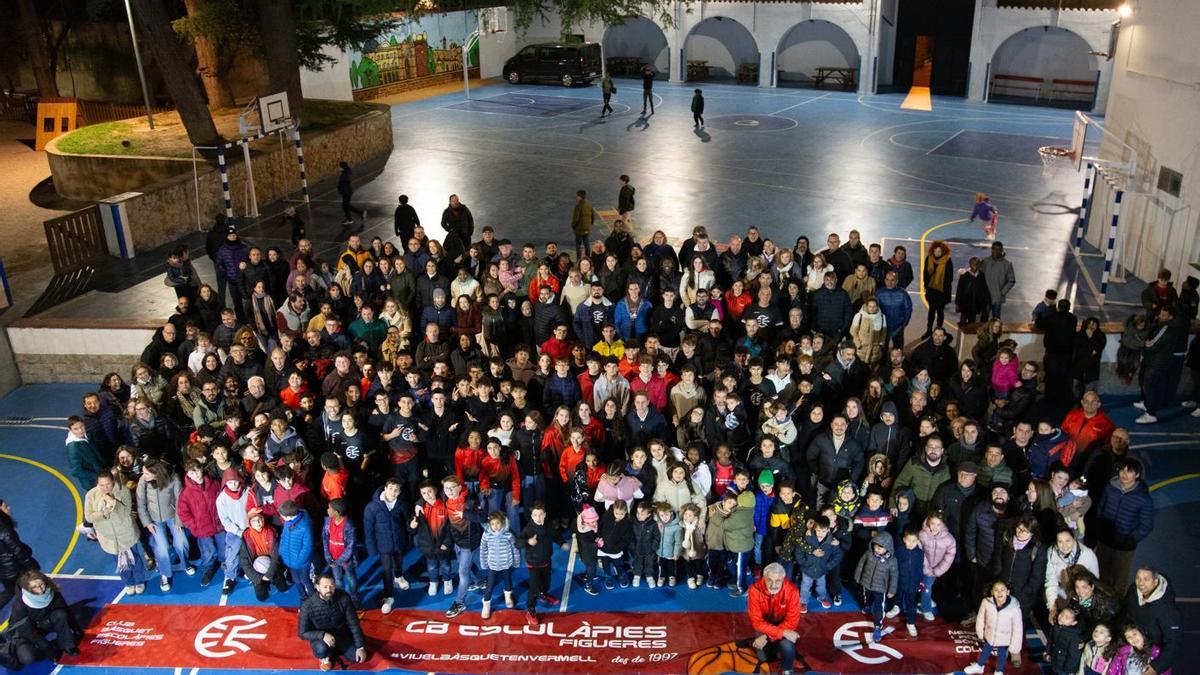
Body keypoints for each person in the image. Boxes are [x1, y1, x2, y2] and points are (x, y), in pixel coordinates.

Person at [1095, 457, 1153, 591]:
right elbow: (1100, 509)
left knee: (1119, 581)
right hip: (1105, 541)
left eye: (1129, 471)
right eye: (1122, 470)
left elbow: (1146, 525)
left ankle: (1117, 610)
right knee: (1101, 576)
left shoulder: (1143, 498)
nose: (1124, 474)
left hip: (1124, 547)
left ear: (1137, 475)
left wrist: (1130, 539)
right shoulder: (1110, 488)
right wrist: (1100, 529)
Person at [85, 473, 148, 595]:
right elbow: (89, 516)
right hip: (108, 538)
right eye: (101, 485)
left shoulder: (122, 490)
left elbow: (125, 511)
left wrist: (113, 502)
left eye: (108, 484)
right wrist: (102, 514)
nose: (105, 487)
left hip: (126, 533)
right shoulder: (91, 495)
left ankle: (139, 580)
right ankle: (129, 583)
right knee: (120, 563)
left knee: (135, 559)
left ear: (113, 481)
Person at [136, 459, 193, 592]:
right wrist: (147, 522)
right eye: (143, 472)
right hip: (154, 519)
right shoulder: (143, 481)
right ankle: (165, 573)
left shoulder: (173, 478)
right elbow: (141, 504)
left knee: (182, 543)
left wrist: (179, 521)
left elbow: (180, 500)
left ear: (157, 473)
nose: (144, 476)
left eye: (147, 473)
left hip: (172, 516)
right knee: (162, 548)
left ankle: (185, 564)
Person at [297, 573, 367, 671]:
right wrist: (322, 635)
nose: (329, 590)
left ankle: (337, 648)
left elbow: (354, 623)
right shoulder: (307, 606)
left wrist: (360, 647)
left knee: (358, 658)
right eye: (325, 587)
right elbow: (302, 633)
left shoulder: (344, 598)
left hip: (341, 633)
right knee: (321, 649)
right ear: (317, 587)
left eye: (332, 586)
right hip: (321, 639)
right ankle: (324, 658)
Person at [8, 571, 80, 662]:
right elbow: (26, 631)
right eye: (34, 587)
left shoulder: (51, 591)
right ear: (28, 588)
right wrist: (47, 647)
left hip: (43, 623)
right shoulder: (19, 605)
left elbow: (65, 609)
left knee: (60, 615)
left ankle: (66, 645)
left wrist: (76, 629)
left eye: (41, 584)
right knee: (27, 658)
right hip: (25, 631)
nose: (41, 590)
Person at [1121, 567, 1181, 674]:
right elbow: (1124, 614)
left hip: (1153, 656)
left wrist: (1156, 667)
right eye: (1138, 578)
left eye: (1146, 579)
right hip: (1133, 649)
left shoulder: (1167, 609)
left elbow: (1173, 642)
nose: (1141, 583)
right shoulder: (1133, 590)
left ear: (1155, 582)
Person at [363, 478, 411, 614]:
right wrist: (371, 549)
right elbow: (368, 530)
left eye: (396, 490)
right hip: (383, 546)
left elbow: (407, 522)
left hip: (399, 542)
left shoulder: (402, 504)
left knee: (399, 562)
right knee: (386, 571)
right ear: (385, 488)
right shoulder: (372, 507)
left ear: (399, 492)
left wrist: (410, 533)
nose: (393, 492)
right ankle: (388, 597)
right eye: (391, 488)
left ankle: (399, 576)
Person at [747, 563, 801, 675]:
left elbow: (792, 621)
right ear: (764, 578)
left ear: (783, 579)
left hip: (783, 626)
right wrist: (781, 633)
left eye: (778, 581)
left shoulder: (792, 591)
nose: (773, 585)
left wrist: (767, 637)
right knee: (763, 657)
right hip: (764, 626)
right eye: (769, 580)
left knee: (788, 647)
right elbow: (757, 622)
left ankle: (787, 669)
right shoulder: (754, 590)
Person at [964, 579, 1023, 674]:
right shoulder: (986, 602)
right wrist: (980, 631)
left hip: (1005, 638)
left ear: (1008, 592)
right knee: (985, 651)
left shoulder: (1014, 607)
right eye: (996, 590)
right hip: (990, 635)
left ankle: (999, 671)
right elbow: (980, 617)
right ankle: (979, 666)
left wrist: (1015, 646)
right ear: (992, 592)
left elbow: (1018, 628)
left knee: (1002, 655)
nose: (999, 592)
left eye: (1002, 590)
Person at [855, 531, 898, 643]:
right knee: (866, 598)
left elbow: (894, 575)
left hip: (881, 588)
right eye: (876, 546)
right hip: (866, 583)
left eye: (881, 547)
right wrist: (857, 577)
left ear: (888, 548)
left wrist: (891, 590)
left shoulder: (892, 561)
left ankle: (878, 625)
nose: (878, 549)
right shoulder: (869, 554)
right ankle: (868, 605)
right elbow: (861, 564)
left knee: (879, 606)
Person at [479, 512, 520, 619]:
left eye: (497, 523)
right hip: (492, 565)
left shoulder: (508, 534)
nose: (495, 526)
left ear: (502, 522)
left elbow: (515, 548)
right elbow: (483, 550)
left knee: (508, 581)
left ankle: (508, 597)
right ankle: (486, 604)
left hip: (506, 564)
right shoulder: (486, 535)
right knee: (490, 585)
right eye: (492, 524)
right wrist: (484, 563)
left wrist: (516, 562)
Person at [520, 502, 555, 625]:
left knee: (546, 582)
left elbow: (555, 534)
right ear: (531, 516)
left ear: (544, 515)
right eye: (535, 515)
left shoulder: (549, 525)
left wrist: (561, 542)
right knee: (534, 587)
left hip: (546, 561)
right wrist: (528, 541)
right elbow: (517, 543)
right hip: (533, 564)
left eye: (540, 514)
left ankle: (543, 594)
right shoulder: (528, 529)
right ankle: (530, 611)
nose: (538, 517)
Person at [0, 499, 39, 612]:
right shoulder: (4, 529)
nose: (9, 508)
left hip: (4, 571)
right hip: (15, 570)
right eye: (5, 506)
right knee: (28, 595)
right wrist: (33, 567)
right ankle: (19, 622)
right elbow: (17, 551)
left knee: (9, 592)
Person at [279, 500, 316, 601]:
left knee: (305, 580)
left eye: (282, 515)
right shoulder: (288, 522)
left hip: (302, 563)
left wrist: (298, 560)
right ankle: (303, 597)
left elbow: (307, 547)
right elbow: (283, 536)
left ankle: (313, 599)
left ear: (288, 516)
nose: (281, 517)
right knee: (296, 581)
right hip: (290, 561)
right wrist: (281, 551)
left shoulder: (305, 526)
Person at [922, 241, 953, 337]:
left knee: (940, 311)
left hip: (942, 292)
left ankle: (939, 331)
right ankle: (929, 330)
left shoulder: (947, 261)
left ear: (943, 252)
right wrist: (927, 286)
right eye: (936, 251)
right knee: (931, 311)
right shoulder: (929, 258)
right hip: (931, 290)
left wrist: (943, 289)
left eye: (939, 251)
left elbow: (949, 278)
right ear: (933, 250)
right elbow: (925, 274)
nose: (937, 253)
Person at [336, 161, 366, 227]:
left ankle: (356, 215)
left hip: (346, 192)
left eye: (340, 167)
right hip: (347, 191)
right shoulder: (346, 172)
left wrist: (341, 174)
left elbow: (344, 181)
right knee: (345, 206)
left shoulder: (344, 174)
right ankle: (351, 218)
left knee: (346, 205)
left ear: (342, 167)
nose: (338, 168)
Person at [570, 190, 597, 259]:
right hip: (587, 228)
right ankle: (588, 257)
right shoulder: (589, 205)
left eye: (577, 196)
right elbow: (593, 217)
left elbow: (576, 219)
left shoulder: (578, 207)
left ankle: (579, 259)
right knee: (586, 243)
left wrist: (573, 226)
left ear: (579, 197)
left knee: (578, 245)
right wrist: (590, 225)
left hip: (579, 230)